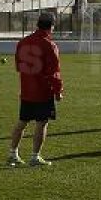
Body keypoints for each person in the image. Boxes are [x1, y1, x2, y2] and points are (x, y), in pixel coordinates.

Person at [8, 13, 62, 167]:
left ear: (38, 24)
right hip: (42, 91)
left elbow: (18, 66)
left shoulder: (23, 42)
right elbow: (54, 72)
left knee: (22, 122)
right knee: (42, 123)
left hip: (26, 90)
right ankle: (35, 156)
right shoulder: (50, 45)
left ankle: (13, 153)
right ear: (51, 26)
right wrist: (58, 91)